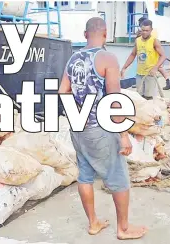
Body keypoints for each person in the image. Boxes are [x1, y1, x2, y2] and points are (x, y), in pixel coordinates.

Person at [58, 17, 147, 240]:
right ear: (105, 34)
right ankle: (123, 229)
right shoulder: (107, 57)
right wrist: (123, 134)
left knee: (85, 175)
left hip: (78, 126)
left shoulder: (73, 59)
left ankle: (93, 223)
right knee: (118, 178)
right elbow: (115, 99)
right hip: (100, 128)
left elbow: (62, 92)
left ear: (85, 34)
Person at [121, 19, 167, 100]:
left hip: (150, 74)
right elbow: (133, 54)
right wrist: (124, 67)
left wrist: (155, 68)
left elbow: (163, 56)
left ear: (151, 30)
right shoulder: (138, 40)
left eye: (147, 30)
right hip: (139, 73)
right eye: (143, 30)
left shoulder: (154, 41)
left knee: (149, 97)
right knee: (139, 97)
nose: (144, 32)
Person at [136, 17, 170, 90]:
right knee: (160, 67)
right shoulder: (153, 30)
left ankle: (144, 83)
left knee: (156, 67)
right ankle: (168, 80)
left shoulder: (143, 31)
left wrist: (138, 34)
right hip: (155, 49)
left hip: (150, 51)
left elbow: (142, 39)